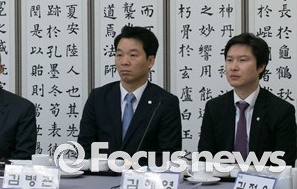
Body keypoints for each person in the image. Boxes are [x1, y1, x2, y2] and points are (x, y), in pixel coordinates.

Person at [78, 26, 181, 162]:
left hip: (145, 175)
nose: (124, 62)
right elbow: (85, 149)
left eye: (133, 55)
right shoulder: (98, 98)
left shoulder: (165, 102)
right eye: (119, 55)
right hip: (102, 174)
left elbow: (168, 155)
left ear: (150, 61)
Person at [198, 33, 296, 166]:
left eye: (242, 60)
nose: (233, 67)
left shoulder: (281, 111)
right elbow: (205, 160)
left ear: (261, 66)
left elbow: (283, 165)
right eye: (229, 60)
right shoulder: (214, 108)